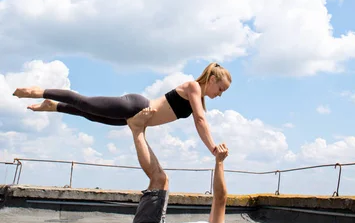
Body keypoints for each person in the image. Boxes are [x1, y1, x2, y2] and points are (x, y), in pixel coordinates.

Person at [126, 107, 271, 223]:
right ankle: (139, 130)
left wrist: (219, 162)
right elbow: (217, 200)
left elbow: (221, 199)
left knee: (160, 180)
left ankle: (137, 129)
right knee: (162, 180)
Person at [13, 62, 231, 156]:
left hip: (135, 118)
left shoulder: (200, 101)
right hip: (136, 106)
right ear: (211, 79)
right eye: (220, 88)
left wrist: (210, 146)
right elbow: (200, 121)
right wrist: (212, 148)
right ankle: (40, 92)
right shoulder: (193, 87)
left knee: (90, 115)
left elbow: (201, 121)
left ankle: (54, 106)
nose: (219, 94)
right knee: (86, 103)